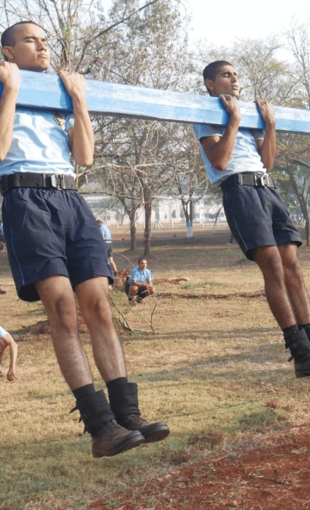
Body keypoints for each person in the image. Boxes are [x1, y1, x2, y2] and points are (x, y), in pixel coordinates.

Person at [0, 21, 168, 457]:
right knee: (61, 308)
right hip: (24, 198)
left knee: (98, 306)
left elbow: (86, 156)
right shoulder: (5, 88)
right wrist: (12, 91)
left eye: (45, 40)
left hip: (72, 199)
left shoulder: (57, 96)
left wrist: (78, 100)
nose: (42, 45)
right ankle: (99, 427)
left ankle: (127, 416)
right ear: (8, 52)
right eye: (31, 40)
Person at [193, 60, 310, 378]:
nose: (234, 79)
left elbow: (267, 164)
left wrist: (270, 127)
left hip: (267, 190)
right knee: (274, 269)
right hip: (240, 190)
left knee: (293, 266)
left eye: (237, 74)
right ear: (210, 84)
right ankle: (300, 353)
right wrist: (234, 121)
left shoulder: (250, 116)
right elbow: (220, 161)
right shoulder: (204, 113)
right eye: (226, 75)